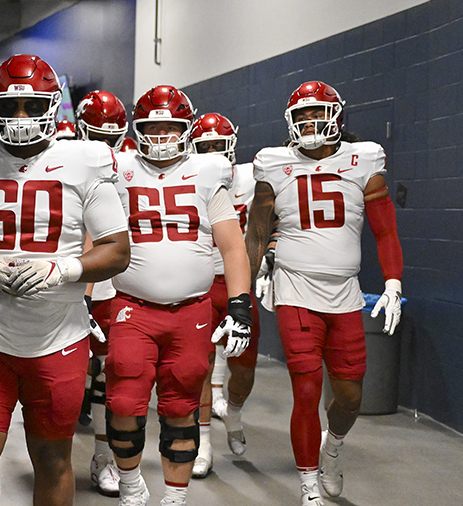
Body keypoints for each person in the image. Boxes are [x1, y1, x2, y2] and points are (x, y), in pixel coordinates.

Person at [0, 54, 130, 506]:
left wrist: (64, 269)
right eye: (10, 105)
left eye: (32, 106)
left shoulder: (85, 159)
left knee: (52, 455)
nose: (20, 117)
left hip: (59, 336)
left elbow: (118, 250)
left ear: (54, 107)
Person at [245, 81, 403, 506]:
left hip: (346, 293)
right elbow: (257, 229)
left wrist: (392, 281)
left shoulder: (362, 158)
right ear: (290, 123)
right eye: (302, 116)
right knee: (307, 387)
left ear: (336, 116)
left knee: (350, 395)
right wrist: (254, 275)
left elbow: (385, 228)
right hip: (295, 287)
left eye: (317, 113)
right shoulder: (273, 164)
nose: (310, 122)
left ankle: (331, 447)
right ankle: (308, 483)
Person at [105, 85, 252, 506]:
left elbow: (232, 246)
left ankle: (175, 496)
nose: (162, 136)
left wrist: (239, 304)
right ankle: (132, 485)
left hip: (192, 311)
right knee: (124, 402)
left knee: (181, 407)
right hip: (133, 306)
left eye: (172, 127)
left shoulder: (208, 170)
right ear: (138, 128)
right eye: (154, 127)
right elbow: (94, 236)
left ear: (186, 130)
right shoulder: (120, 168)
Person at [188, 112, 262, 478]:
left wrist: (272, 260)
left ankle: (233, 410)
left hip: (238, 283)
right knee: (199, 367)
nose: (215, 153)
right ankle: (203, 443)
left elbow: (270, 222)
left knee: (244, 370)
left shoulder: (251, 176)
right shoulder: (186, 177)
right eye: (206, 146)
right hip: (200, 282)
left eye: (220, 146)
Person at [74, 89, 130, 496]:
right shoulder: (64, 158)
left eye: (112, 136)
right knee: (69, 377)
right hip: (71, 281)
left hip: (112, 283)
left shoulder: (129, 164)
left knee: (109, 374)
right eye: (97, 134)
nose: (105, 144)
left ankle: (102, 456)